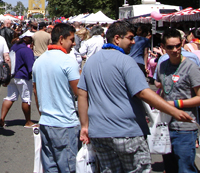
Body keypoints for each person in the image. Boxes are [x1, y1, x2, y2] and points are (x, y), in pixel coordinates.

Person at [78, 21, 192, 173]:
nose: (133, 42)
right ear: (117, 39)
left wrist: (85, 126)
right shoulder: (126, 61)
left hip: (99, 132)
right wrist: (174, 111)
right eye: (130, 38)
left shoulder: (91, 61)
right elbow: (143, 92)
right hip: (126, 131)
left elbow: (82, 94)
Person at [155, 28, 200, 173]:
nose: (175, 50)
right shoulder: (162, 66)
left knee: (185, 168)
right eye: (170, 47)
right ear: (163, 47)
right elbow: (162, 90)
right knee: (170, 168)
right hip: (166, 126)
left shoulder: (191, 67)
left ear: (182, 43)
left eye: (178, 46)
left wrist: (176, 104)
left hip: (185, 128)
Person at [32, 23, 80, 172]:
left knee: (50, 167)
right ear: (61, 39)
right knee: (69, 167)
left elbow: (36, 92)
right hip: (65, 123)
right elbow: (80, 92)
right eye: (71, 39)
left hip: (46, 122)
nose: (73, 43)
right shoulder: (68, 61)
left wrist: (42, 113)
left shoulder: (38, 62)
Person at [0, 30, 35, 128]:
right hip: (23, 77)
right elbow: (31, 66)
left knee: (10, 97)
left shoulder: (14, 47)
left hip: (12, 75)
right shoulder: (26, 50)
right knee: (26, 99)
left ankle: (2, 119)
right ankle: (28, 121)